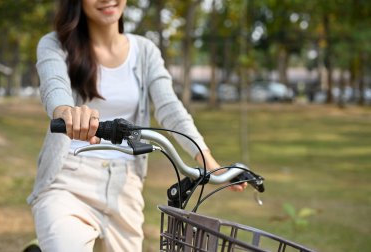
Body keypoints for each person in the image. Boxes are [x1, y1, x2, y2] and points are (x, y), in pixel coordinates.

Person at [28, 0, 246, 251]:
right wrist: (67, 113)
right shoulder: (55, 44)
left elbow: (170, 108)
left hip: (125, 184)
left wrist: (209, 162)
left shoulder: (145, 51)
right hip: (68, 178)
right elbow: (54, 84)